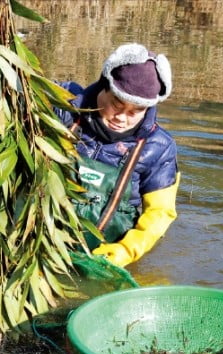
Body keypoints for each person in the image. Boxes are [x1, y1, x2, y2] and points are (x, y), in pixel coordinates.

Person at [55, 43, 179, 267]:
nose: (121, 118)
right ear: (104, 86)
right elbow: (13, 89)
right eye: (116, 104)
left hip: (104, 255)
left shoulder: (159, 147)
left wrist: (126, 250)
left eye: (135, 112)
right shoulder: (63, 106)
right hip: (42, 243)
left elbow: (159, 213)